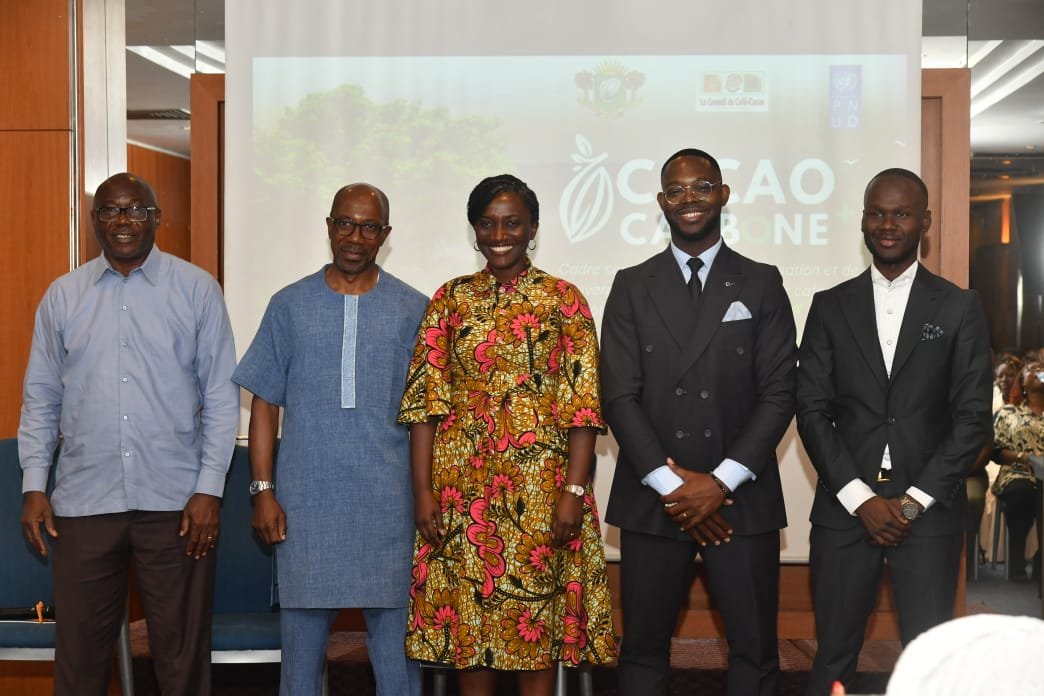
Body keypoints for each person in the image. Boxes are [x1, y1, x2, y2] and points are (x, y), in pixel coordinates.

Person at [18, 172, 239, 696]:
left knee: (181, 660)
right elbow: (41, 398)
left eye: (137, 210)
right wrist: (34, 486)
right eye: (111, 210)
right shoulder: (62, 296)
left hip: (177, 505)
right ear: (95, 221)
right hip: (84, 502)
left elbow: (221, 397)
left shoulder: (197, 290)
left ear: (157, 218)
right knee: (79, 663)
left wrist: (209, 490)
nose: (124, 221)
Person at [398, 174, 616, 696]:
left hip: (541, 495)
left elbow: (583, 409)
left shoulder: (564, 300)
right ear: (474, 230)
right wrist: (423, 491)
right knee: (470, 629)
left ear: (533, 228)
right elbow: (425, 405)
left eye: (512, 223)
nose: (499, 235)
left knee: (532, 627)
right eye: (487, 224)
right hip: (461, 497)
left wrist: (574, 491)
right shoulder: (450, 299)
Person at [601, 148, 798, 696]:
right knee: (641, 654)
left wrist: (718, 484)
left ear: (724, 194)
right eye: (677, 190)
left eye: (702, 186)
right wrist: (675, 488)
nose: (689, 198)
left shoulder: (761, 281)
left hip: (739, 501)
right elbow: (618, 395)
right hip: (654, 499)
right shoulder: (631, 284)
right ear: (662, 201)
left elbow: (780, 392)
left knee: (755, 654)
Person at [796, 168, 993, 696]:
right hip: (843, 513)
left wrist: (909, 504)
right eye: (877, 213)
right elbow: (810, 410)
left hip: (929, 515)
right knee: (832, 657)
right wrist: (861, 499)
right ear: (862, 220)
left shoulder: (959, 307)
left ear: (924, 222)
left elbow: (973, 418)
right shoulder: (829, 305)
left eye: (901, 214)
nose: (887, 225)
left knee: (929, 663)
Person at [232, 183, 427, 695]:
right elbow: (264, 404)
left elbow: (427, 417)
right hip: (305, 508)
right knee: (300, 663)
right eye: (345, 223)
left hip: (389, 506)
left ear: (384, 234)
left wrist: (425, 496)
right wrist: (263, 491)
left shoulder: (413, 308)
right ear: (329, 226)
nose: (354, 237)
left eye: (368, 227)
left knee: (398, 663)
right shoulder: (289, 305)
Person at [991, 361, 1044, 581]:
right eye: (1032, 369)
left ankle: (1040, 561)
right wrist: (1024, 457)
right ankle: (1016, 560)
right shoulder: (1008, 412)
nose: (1039, 371)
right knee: (1021, 493)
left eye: (1042, 368)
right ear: (1022, 382)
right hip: (1018, 472)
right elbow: (995, 451)